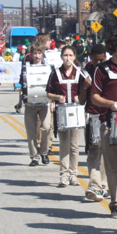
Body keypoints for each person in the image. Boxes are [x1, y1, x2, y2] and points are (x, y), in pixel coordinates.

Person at [92, 30, 117, 218]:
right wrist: (111, 104)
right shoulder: (101, 69)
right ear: (113, 49)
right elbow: (94, 97)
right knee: (113, 166)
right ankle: (116, 203)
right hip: (109, 123)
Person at [45, 46, 82, 187]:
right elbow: (48, 93)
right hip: (62, 112)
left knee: (74, 145)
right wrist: (57, 97)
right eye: (65, 55)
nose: (68, 58)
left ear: (74, 57)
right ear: (61, 57)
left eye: (70, 55)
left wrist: (80, 97)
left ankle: (74, 174)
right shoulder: (55, 73)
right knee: (64, 143)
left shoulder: (79, 73)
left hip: (76, 112)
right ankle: (64, 174)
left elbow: (86, 92)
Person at [78, 43, 109, 202]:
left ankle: (103, 186)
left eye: (103, 59)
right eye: (97, 60)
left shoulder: (107, 70)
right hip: (92, 115)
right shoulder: (84, 73)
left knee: (105, 153)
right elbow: (81, 100)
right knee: (93, 151)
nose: (100, 63)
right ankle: (95, 185)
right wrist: (85, 87)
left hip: (106, 116)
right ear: (91, 58)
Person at [22, 44, 52, 166]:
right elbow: (23, 84)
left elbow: (51, 85)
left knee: (46, 127)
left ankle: (44, 152)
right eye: (35, 53)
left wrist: (52, 102)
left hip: (44, 104)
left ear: (42, 54)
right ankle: (34, 157)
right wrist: (20, 101)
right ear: (31, 54)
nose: (37, 56)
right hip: (30, 104)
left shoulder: (48, 68)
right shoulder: (26, 68)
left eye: (39, 53)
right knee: (31, 132)